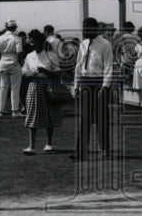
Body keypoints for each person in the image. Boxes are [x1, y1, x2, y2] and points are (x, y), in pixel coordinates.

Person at [71, 17, 114, 161]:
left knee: (102, 117)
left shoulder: (105, 44)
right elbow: (78, 65)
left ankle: (105, 148)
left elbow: (109, 66)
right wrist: (76, 85)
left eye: (86, 29)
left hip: (99, 84)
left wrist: (105, 86)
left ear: (94, 29)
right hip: (84, 83)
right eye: (83, 29)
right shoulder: (83, 44)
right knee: (85, 118)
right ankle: (81, 152)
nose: (83, 32)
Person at [21, 29, 63, 154]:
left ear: (40, 42)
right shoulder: (29, 56)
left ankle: (49, 143)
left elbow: (58, 73)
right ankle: (31, 146)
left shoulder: (51, 55)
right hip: (34, 87)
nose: (31, 44)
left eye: (33, 42)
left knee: (50, 115)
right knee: (32, 115)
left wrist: (45, 72)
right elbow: (24, 71)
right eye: (30, 42)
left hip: (48, 87)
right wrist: (28, 75)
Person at [0, 20, 24, 118]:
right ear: (15, 28)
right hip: (14, 62)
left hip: (3, 62)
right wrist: (21, 64)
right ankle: (14, 111)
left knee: (3, 88)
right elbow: (19, 53)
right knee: (15, 88)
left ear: (6, 27)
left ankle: (0, 112)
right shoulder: (17, 38)